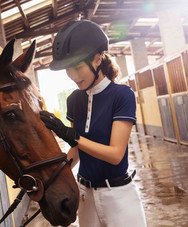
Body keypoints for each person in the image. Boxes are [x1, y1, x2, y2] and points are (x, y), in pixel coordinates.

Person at [40, 20, 147, 227]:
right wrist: (50, 177)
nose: (72, 76)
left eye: (78, 67)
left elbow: (115, 155)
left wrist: (72, 136)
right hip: (85, 197)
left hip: (118, 197)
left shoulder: (122, 95)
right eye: (68, 70)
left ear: (97, 59)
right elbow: (77, 151)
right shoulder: (74, 100)